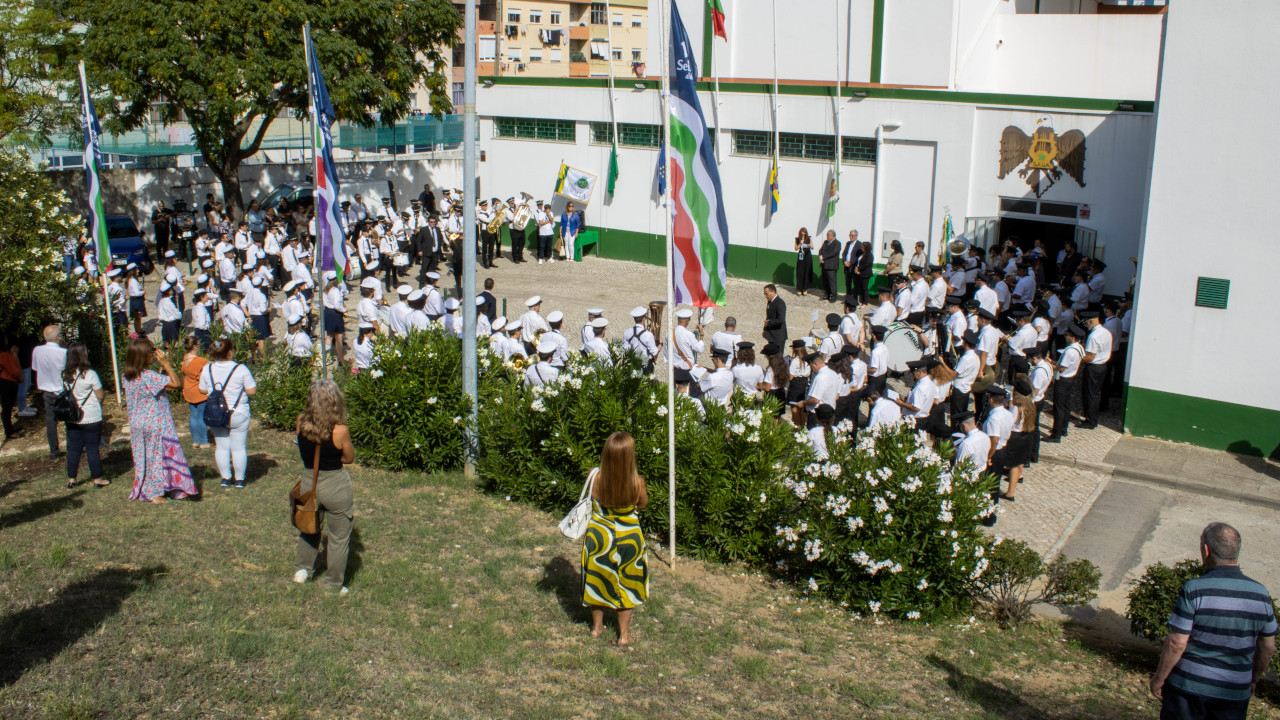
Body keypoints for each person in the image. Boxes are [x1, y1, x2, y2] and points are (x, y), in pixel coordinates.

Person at [1150, 523, 1277, 718]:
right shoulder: (1260, 594)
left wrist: (1159, 678)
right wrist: (1252, 680)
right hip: (1234, 692)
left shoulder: (1194, 589)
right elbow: (1268, 647)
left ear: (1206, 550)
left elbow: (1176, 643)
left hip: (1188, 689)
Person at [582, 431, 649, 647]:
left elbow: (591, 498)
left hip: (600, 535)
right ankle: (624, 635)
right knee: (627, 585)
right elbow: (642, 504)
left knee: (597, 580)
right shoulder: (637, 482)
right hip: (629, 537)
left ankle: (597, 628)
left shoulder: (594, 476)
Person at [294, 378, 356, 594]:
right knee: (338, 536)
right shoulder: (340, 430)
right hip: (334, 483)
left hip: (309, 480)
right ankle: (333, 585)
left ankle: (302, 570)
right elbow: (349, 458)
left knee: (309, 526)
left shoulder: (301, 422)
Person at [121, 337, 197, 503]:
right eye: (151, 352)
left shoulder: (126, 376)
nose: (153, 355)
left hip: (137, 423)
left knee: (143, 457)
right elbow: (176, 384)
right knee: (157, 457)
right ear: (143, 356)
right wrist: (166, 364)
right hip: (154, 422)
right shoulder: (149, 376)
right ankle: (155, 493)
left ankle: (147, 486)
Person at [199, 339, 257, 489]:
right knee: (238, 447)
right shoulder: (241, 369)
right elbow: (251, 391)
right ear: (230, 352)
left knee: (221, 446)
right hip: (238, 412)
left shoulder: (207, 368)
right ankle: (240, 480)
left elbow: (202, 389)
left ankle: (225, 478)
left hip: (216, 412)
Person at [58, 342, 107, 489]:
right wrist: (98, 404)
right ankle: (97, 478)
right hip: (91, 415)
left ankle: (71, 478)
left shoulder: (65, 375)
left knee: (74, 448)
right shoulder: (90, 374)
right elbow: (100, 395)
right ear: (82, 354)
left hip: (72, 416)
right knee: (92, 448)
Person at [32, 324, 67, 460]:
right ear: (58, 337)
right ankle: (72, 445)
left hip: (46, 389)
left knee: (50, 420)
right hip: (61, 389)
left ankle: (54, 450)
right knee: (68, 417)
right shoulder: (63, 352)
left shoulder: (37, 350)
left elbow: (35, 367)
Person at [1078, 308, 1111, 430]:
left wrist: (1077, 357)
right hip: (1103, 366)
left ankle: (1090, 420)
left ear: (1090, 321)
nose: (1086, 325)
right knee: (1096, 394)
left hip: (1093, 367)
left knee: (1089, 394)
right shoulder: (1106, 332)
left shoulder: (1093, 336)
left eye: (1086, 322)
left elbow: (1089, 357)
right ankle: (1093, 418)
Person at [180, 335, 211, 449]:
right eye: (198, 344)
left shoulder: (184, 359)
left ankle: (195, 441)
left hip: (188, 390)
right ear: (194, 346)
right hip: (199, 391)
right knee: (201, 416)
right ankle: (204, 441)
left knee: (193, 416)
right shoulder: (200, 361)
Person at [0, 337, 20, 442]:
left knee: (6, 407)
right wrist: (15, 356)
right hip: (7, 383)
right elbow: (15, 371)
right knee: (7, 408)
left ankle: (9, 428)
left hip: (4, 383)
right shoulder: (4, 355)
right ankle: (9, 431)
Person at [818, 229, 841, 302]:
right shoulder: (825, 242)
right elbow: (820, 251)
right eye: (827, 235)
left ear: (833, 236)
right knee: (825, 281)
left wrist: (823, 257)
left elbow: (833, 253)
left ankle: (833, 296)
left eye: (828, 235)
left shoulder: (837, 243)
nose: (827, 236)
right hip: (824, 265)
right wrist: (820, 258)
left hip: (831, 266)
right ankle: (827, 294)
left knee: (832, 281)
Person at [794, 228, 813, 295]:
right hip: (801, 257)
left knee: (806, 271)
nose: (803, 234)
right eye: (802, 233)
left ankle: (805, 288)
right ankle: (800, 288)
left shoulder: (809, 238)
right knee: (800, 272)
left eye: (804, 233)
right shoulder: (797, 239)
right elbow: (796, 248)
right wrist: (800, 243)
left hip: (807, 256)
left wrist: (808, 245)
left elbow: (812, 247)